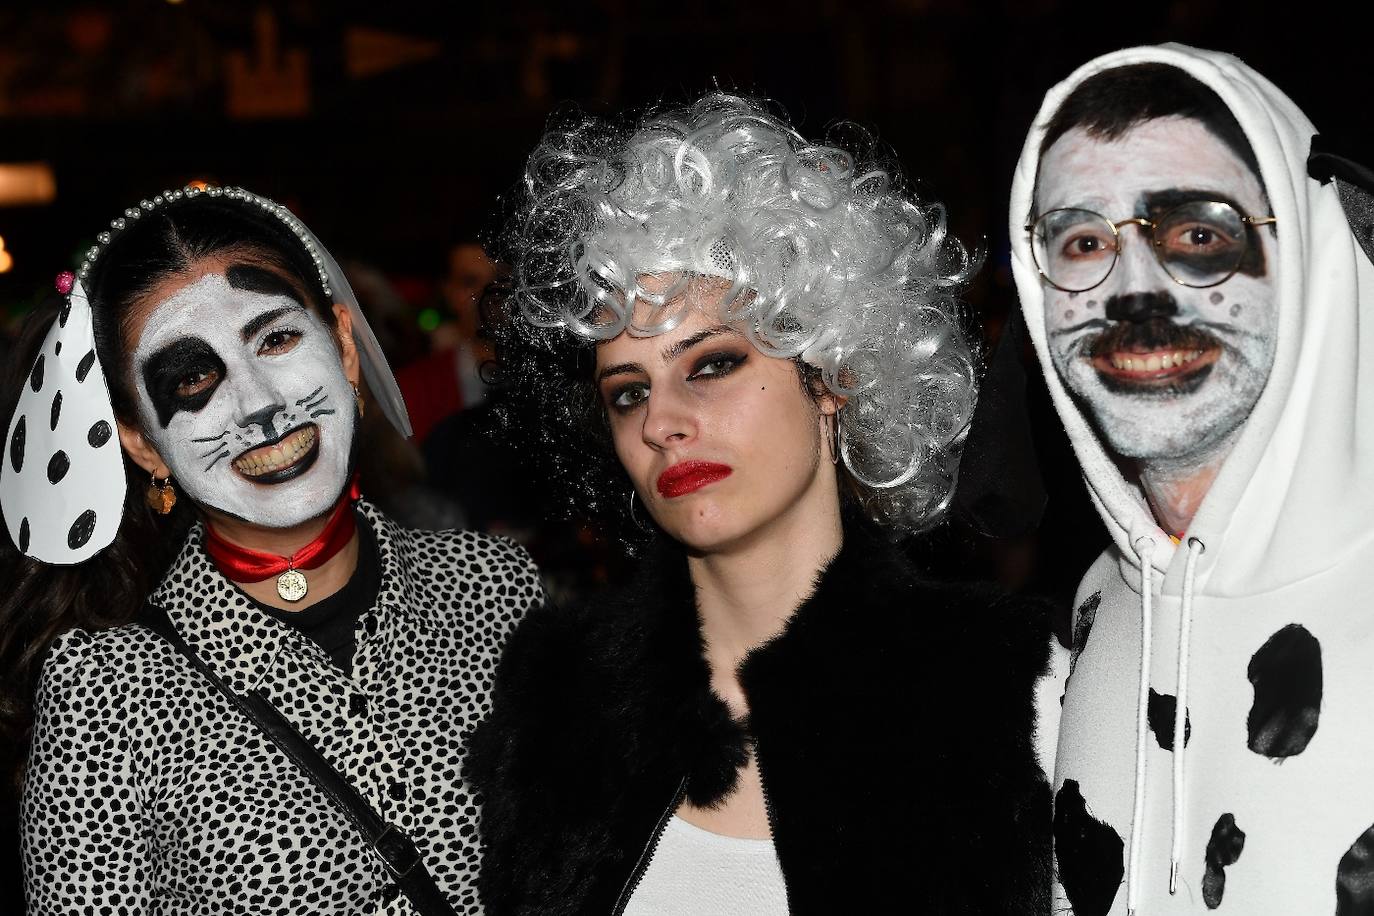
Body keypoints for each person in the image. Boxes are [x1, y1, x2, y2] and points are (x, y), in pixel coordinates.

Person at [467, 93, 1055, 915]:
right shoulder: (561, 704)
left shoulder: (1010, 685)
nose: (664, 423)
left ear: (836, 376)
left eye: (711, 365)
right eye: (629, 392)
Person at [2, 185, 542, 914]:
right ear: (141, 444)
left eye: (278, 339)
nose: (258, 403)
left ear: (345, 348)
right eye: (192, 377)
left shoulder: (496, 590)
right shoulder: (104, 692)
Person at [1011, 45, 1374, 914]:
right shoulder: (1084, 620)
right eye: (1085, 241)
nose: (1134, 294)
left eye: (1200, 236)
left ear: (1311, 259)